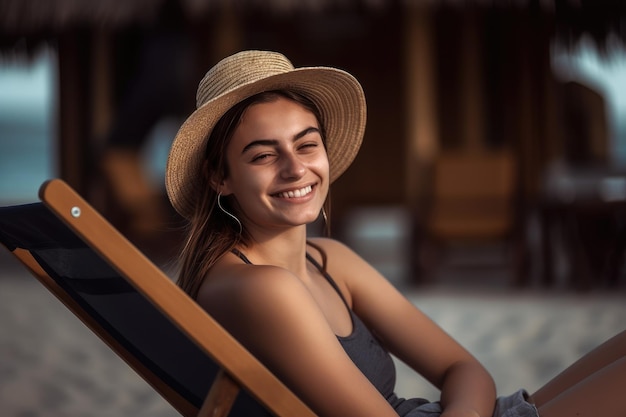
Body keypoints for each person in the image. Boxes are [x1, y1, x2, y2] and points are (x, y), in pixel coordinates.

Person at [164, 50, 626, 417]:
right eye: (263, 155)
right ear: (219, 177)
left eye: (307, 144)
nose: (295, 168)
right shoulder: (258, 289)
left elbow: (464, 368)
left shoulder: (328, 261)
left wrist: (463, 413)